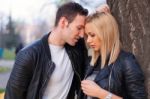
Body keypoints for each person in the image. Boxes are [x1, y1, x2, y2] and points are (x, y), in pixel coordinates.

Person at [5, 2, 88, 99]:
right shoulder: (29, 55)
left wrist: (99, 13)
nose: (82, 34)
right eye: (79, 28)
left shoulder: (76, 48)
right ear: (63, 22)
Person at [80, 12, 147, 99]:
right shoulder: (91, 61)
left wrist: (101, 93)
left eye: (92, 35)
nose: (88, 40)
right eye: (87, 35)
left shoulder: (126, 61)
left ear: (106, 33)